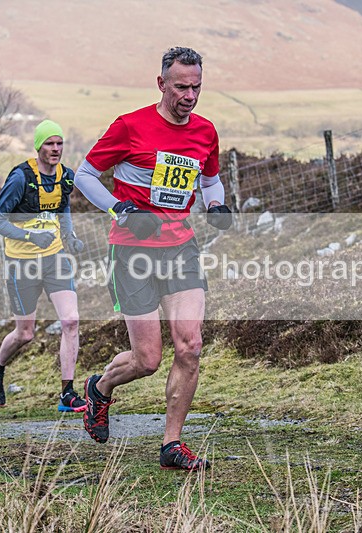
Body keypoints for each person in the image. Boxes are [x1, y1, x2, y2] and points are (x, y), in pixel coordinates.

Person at [73, 47, 233, 471]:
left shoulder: (205, 131)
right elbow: (84, 175)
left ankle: (171, 444)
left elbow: (210, 180)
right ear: (161, 84)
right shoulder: (130, 126)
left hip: (181, 248)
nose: (190, 96)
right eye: (181, 87)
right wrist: (121, 209)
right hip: (133, 251)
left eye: (196, 87)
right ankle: (100, 388)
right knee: (147, 360)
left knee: (190, 345)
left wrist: (216, 205)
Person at [0, 120, 87, 412]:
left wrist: (69, 237)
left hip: (54, 259)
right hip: (22, 263)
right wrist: (31, 236)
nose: (55, 149)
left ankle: (67, 394)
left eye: (59, 143)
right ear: (38, 146)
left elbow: (63, 206)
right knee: (25, 334)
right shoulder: (21, 178)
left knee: (71, 321)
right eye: (49, 143)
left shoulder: (65, 176)